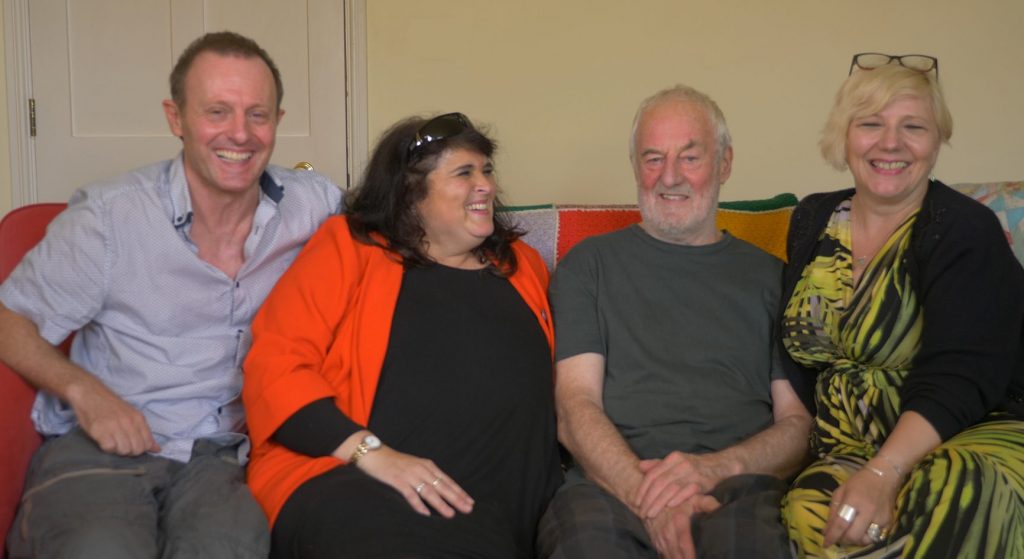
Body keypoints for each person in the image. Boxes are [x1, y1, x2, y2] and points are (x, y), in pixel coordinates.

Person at [0, 31, 342, 558]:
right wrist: (86, 393)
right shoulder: (109, 219)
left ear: (278, 120)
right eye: (217, 112)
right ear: (176, 118)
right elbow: (9, 320)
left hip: (228, 459)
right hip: (102, 450)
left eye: (258, 114)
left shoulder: (315, 207)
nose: (240, 133)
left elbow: (396, 245)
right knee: (102, 550)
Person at [242, 112, 563, 558]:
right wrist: (373, 455)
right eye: (464, 173)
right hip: (358, 485)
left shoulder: (523, 265)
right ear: (411, 193)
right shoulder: (351, 248)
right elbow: (273, 367)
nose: (486, 184)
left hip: (495, 515)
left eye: (487, 169)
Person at [537, 85, 812, 559]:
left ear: (724, 163)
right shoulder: (589, 266)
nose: (669, 177)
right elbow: (575, 409)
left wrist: (711, 472)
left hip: (739, 488)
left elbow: (797, 424)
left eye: (690, 157)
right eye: (652, 158)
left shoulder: (774, 278)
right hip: (608, 486)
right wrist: (652, 501)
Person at [779, 54, 1024, 558]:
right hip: (848, 448)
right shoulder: (813, 219)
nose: (890, 143)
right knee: (812, 508)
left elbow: (962, 375)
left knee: (951, 489)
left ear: (936, 142)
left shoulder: (962, 229)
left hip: (969, 434)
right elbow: (792, 354)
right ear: (844, 137)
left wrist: (884, 473)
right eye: (871, 124)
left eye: (913, 126)